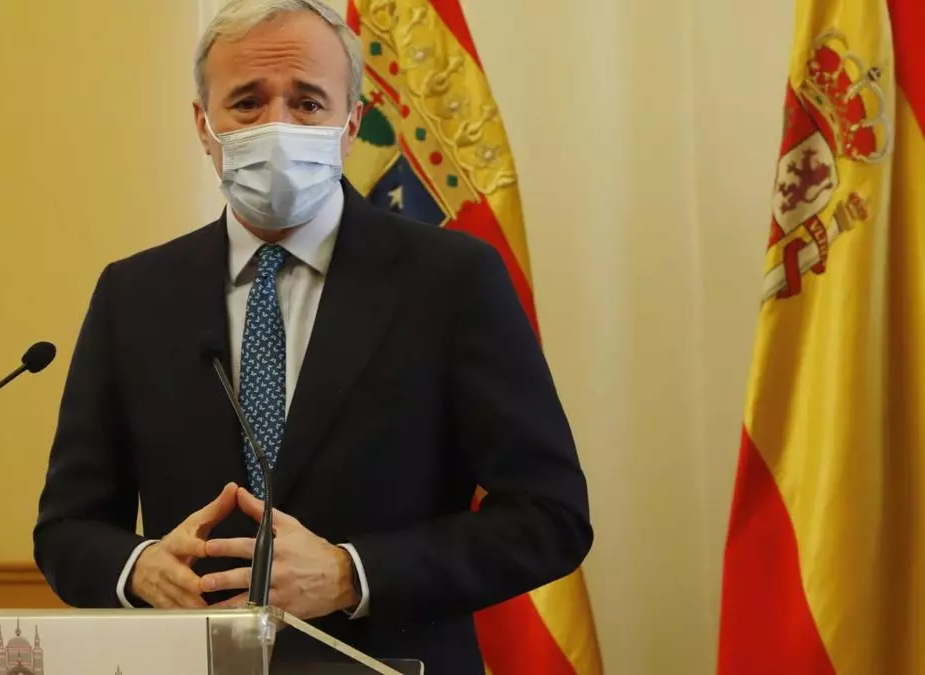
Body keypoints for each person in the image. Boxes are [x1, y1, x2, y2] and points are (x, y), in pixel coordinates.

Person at [33, 0, 592, 671]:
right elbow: (67, 529)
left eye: (307, 103)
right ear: (203, 125)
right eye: (247, 102)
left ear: (350, 125)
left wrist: (352, 573)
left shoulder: (452, 279)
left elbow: (549, 516)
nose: (278, 126)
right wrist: (140, 567)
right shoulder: (134, 294)